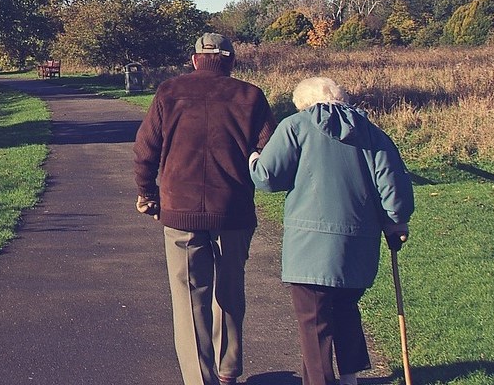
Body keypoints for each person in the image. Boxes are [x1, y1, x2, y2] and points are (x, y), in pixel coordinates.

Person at [249, 77, 415, 385]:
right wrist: (397, 221)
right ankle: (349, 376)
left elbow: (268, 178)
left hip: (309, 244)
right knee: (346, 308)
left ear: (304, 103)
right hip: (359, 242)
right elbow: (394, 190)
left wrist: (253, 157)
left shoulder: (295, 126)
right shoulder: (372, 133)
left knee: (314, 321)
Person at [133, 33, 276, 385]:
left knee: (188, 300)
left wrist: (147, 193)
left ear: (195, 59)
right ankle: (228, 370)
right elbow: (270, 154)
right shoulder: (250, 95)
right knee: (230, 289)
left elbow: (145, 150)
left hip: (180, 210)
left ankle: (200, 379)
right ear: (230, 61)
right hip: (234, 210)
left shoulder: (169, 92)